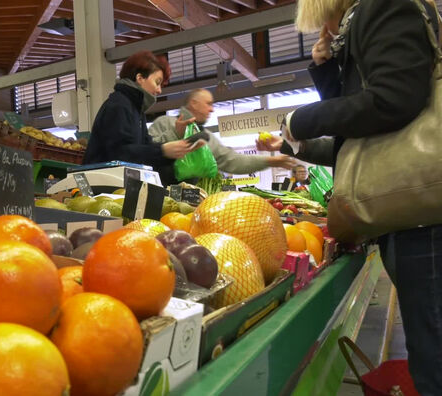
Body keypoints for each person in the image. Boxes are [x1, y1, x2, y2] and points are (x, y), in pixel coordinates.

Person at [256, 0, 440, 393]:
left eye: (329, 21)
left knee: (435, 362)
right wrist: (326, 68)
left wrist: (300, 120)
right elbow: (360, 136)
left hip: (426, 223)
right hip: (413, 219)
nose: (328, 29)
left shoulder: (388, 6)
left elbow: (393, 99)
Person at [82, 51, 194, 186]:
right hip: (101, 185)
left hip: (118, 184)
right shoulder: (119, 105)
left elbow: (144, 147)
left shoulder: (136, 109)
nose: (159, 90)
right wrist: (163, 151)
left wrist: (170, 151)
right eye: (157, 82)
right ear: (140, 78)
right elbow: (119, 153)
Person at [148, 88, 296, 179]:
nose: (212, 109)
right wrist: (175, 133)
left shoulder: (208, 138)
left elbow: (233, 161)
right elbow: (146, 152)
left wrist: (270, 161)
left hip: (195, 204)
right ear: (193, 103)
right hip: (162, 200)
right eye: (209, 103)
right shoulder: (165, 123)